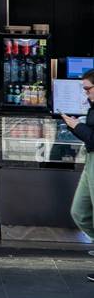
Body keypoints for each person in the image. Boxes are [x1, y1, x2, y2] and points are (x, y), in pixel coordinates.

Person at [60, 69, 94, 282]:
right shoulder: (92, 107)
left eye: (88, 89)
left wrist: (77, 126)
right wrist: (74, 126)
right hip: (90, 159)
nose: (86, 94)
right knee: (79, 211)